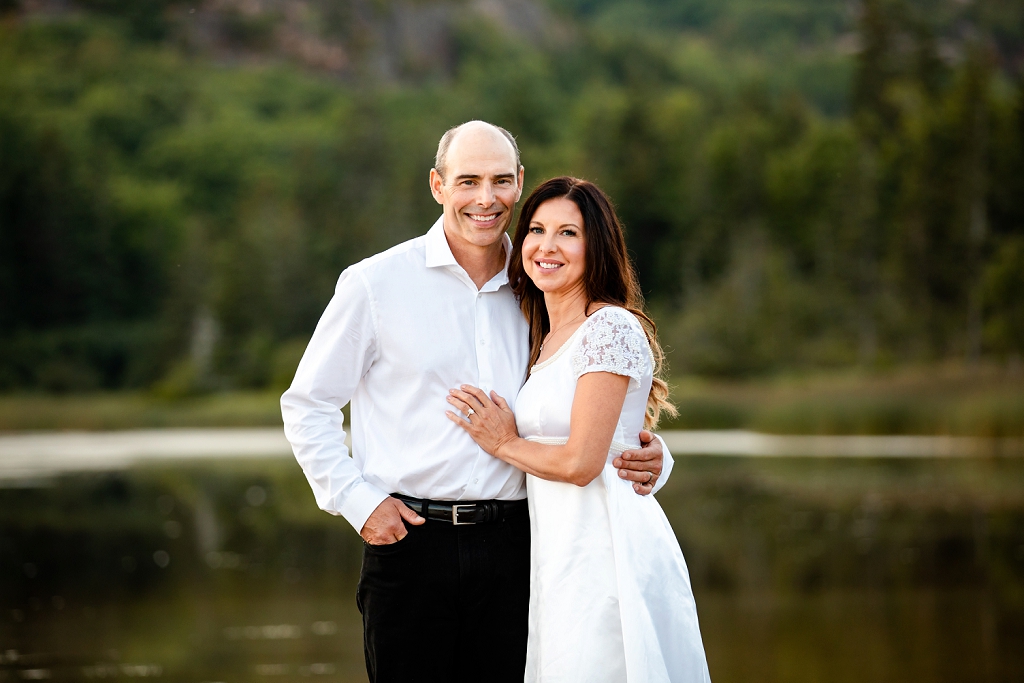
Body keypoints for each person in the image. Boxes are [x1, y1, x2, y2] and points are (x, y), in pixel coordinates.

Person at [281, 121, 673, 683]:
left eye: (498, 181)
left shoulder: (539, 287)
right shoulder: (375, 284)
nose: (484, 199)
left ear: (518, 183)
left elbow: (584, 403)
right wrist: (358, 502)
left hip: (522, 547)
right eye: (467, 181)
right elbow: (308, 404)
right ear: (438, 185)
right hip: (412, 543)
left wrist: (653, 454)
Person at [445, 176, 711, 682]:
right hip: (558, 549)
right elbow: (613, 433)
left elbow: (583, 462)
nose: (547, 246)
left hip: (604, 549)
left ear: (597, 246)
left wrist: (504, 442)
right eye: (537, 230)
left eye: (568, 233)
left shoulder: (608, 327)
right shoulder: (544, 334)